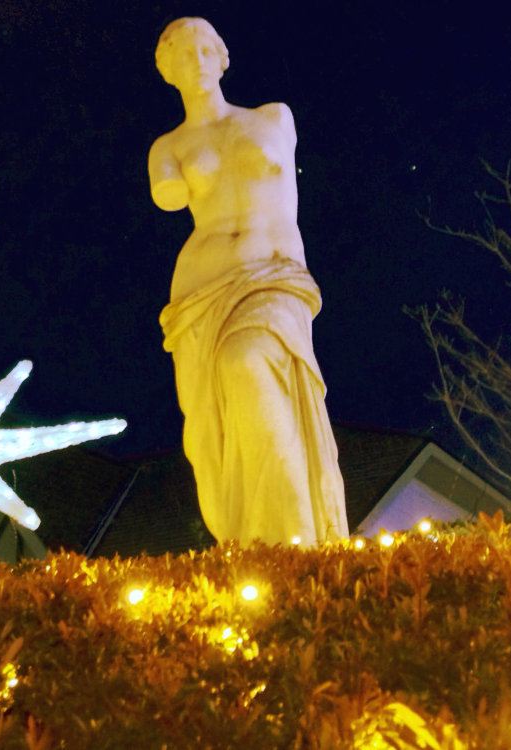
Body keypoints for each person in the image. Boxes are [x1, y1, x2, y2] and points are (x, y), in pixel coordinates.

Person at [149, 17, 348, 546]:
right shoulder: (168, 147)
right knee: (212, 427)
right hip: (202, 289)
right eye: (181, 54)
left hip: (274, 276)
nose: (195, 61)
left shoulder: (274, 118)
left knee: (248, 361)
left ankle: (294, 540)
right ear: (167, 72)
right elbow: (167, 195)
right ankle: (262, 544)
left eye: (203, 50)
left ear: (221, 57)